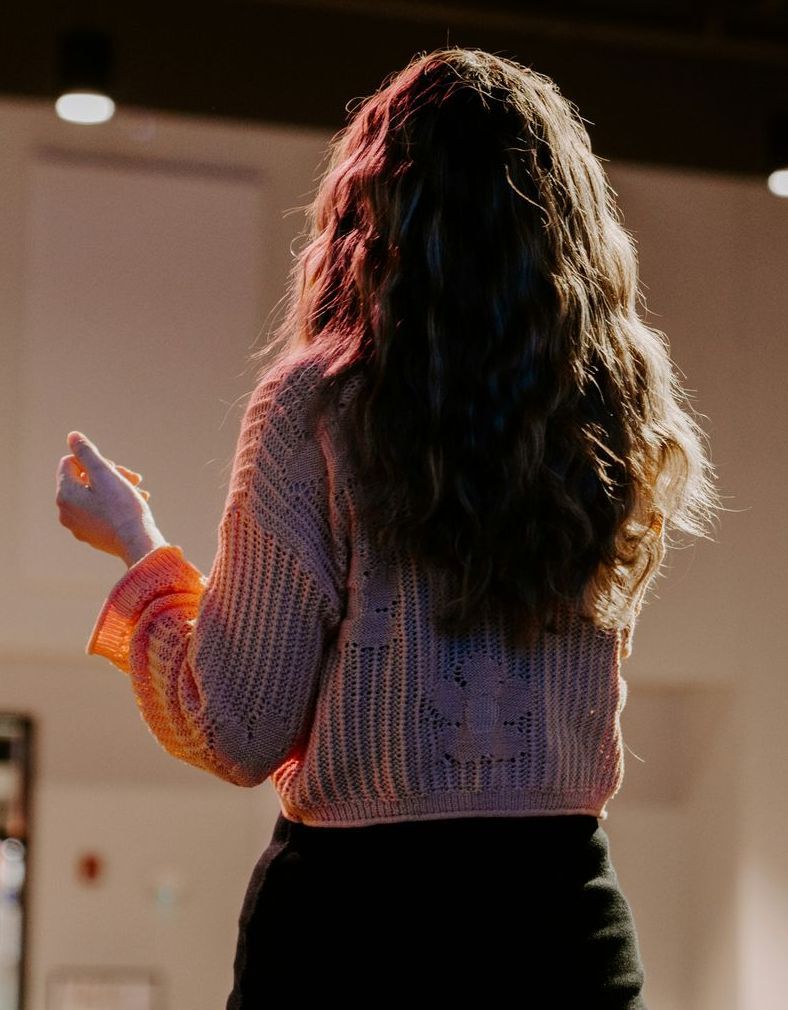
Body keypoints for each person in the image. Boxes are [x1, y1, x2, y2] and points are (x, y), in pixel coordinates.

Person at [55, 46, 722, 1009]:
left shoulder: (318, 408)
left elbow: (237, 727)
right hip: (562, 929)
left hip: (355, 935)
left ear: (371, 213)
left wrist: (137, 543)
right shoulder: (613, 416)